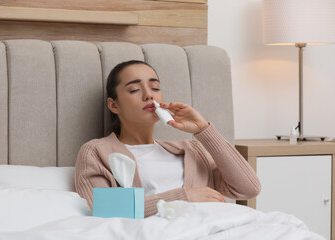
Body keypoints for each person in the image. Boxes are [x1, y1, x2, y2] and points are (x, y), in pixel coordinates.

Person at [75, 60, 261, 218]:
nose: (149, 95)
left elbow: (249, 188)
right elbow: (103, 211)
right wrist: (183, 196)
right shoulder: (97, 152)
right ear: (113, 105)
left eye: (155, 87)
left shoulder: (191, 150)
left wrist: (204, 130)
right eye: (134, 89)